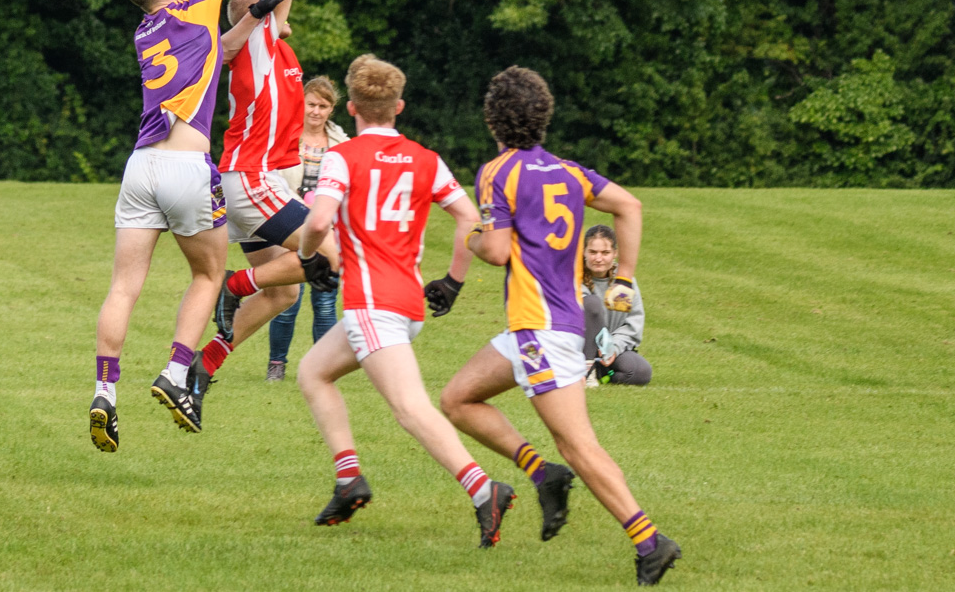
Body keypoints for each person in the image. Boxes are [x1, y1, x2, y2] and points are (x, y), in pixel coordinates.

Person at [439, 67, 682, 584]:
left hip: (539, 329)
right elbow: (629, 206)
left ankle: (650, 541)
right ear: (543, 117)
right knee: (458, 398)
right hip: (552, 325)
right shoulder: (569, 171)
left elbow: (498, 249)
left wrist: (476, 239)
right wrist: (625, 278)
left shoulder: (496, 171)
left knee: (578, 443)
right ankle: (542, 473)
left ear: (493, 118)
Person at [90, 0, 293, 448]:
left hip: (140, 167)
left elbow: (218, 52)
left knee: (124, 286)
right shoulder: (195, 5)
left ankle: (105, 393)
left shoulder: (148, 29)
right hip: (184, 168)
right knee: (209, 277)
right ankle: (179, 372)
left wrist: (256, 16)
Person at [295, 54, 517, 549]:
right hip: (406, 303)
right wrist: (454, 282)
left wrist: (311, 258)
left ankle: (485, 490)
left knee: (411, 409)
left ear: (350, 107)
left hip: (371, 304)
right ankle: (349, 479)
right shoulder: (425, 158)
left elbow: (315, 222)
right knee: (313, 371)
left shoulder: (342, 155)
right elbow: (468, 219)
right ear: (399, 106)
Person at [190, 0, 344, 391]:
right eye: (271, 4)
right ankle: (235, 286)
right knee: (331, 254)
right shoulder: (255, 41)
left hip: (254, 183)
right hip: (253, 180)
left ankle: (204, 365)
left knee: (284, 294)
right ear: (256, 14)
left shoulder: (274, 50)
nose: (283, 5)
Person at [265, 76, 349, 381]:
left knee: (325, 302)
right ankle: (277, 364)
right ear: (302, 104)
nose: (316, 111)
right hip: (291, 226)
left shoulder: (341, 143)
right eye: (311, 104)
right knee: (288, 300)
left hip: (329, 230)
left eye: (323, 106)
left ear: (331, 109)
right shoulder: (285, 137)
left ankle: (324, 368)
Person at [582, 224, 653, 386]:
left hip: (610, 351)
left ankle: (600, 373)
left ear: (615, 253)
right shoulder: (573, 279)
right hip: (578, 350)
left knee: (640, 372)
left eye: (605, 253)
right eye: (593, 252)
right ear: (584, 252)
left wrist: (613, 348)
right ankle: (587, 369)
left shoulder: (624, 282)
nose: (598, 258)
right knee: (591, 305)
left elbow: (633, 325)